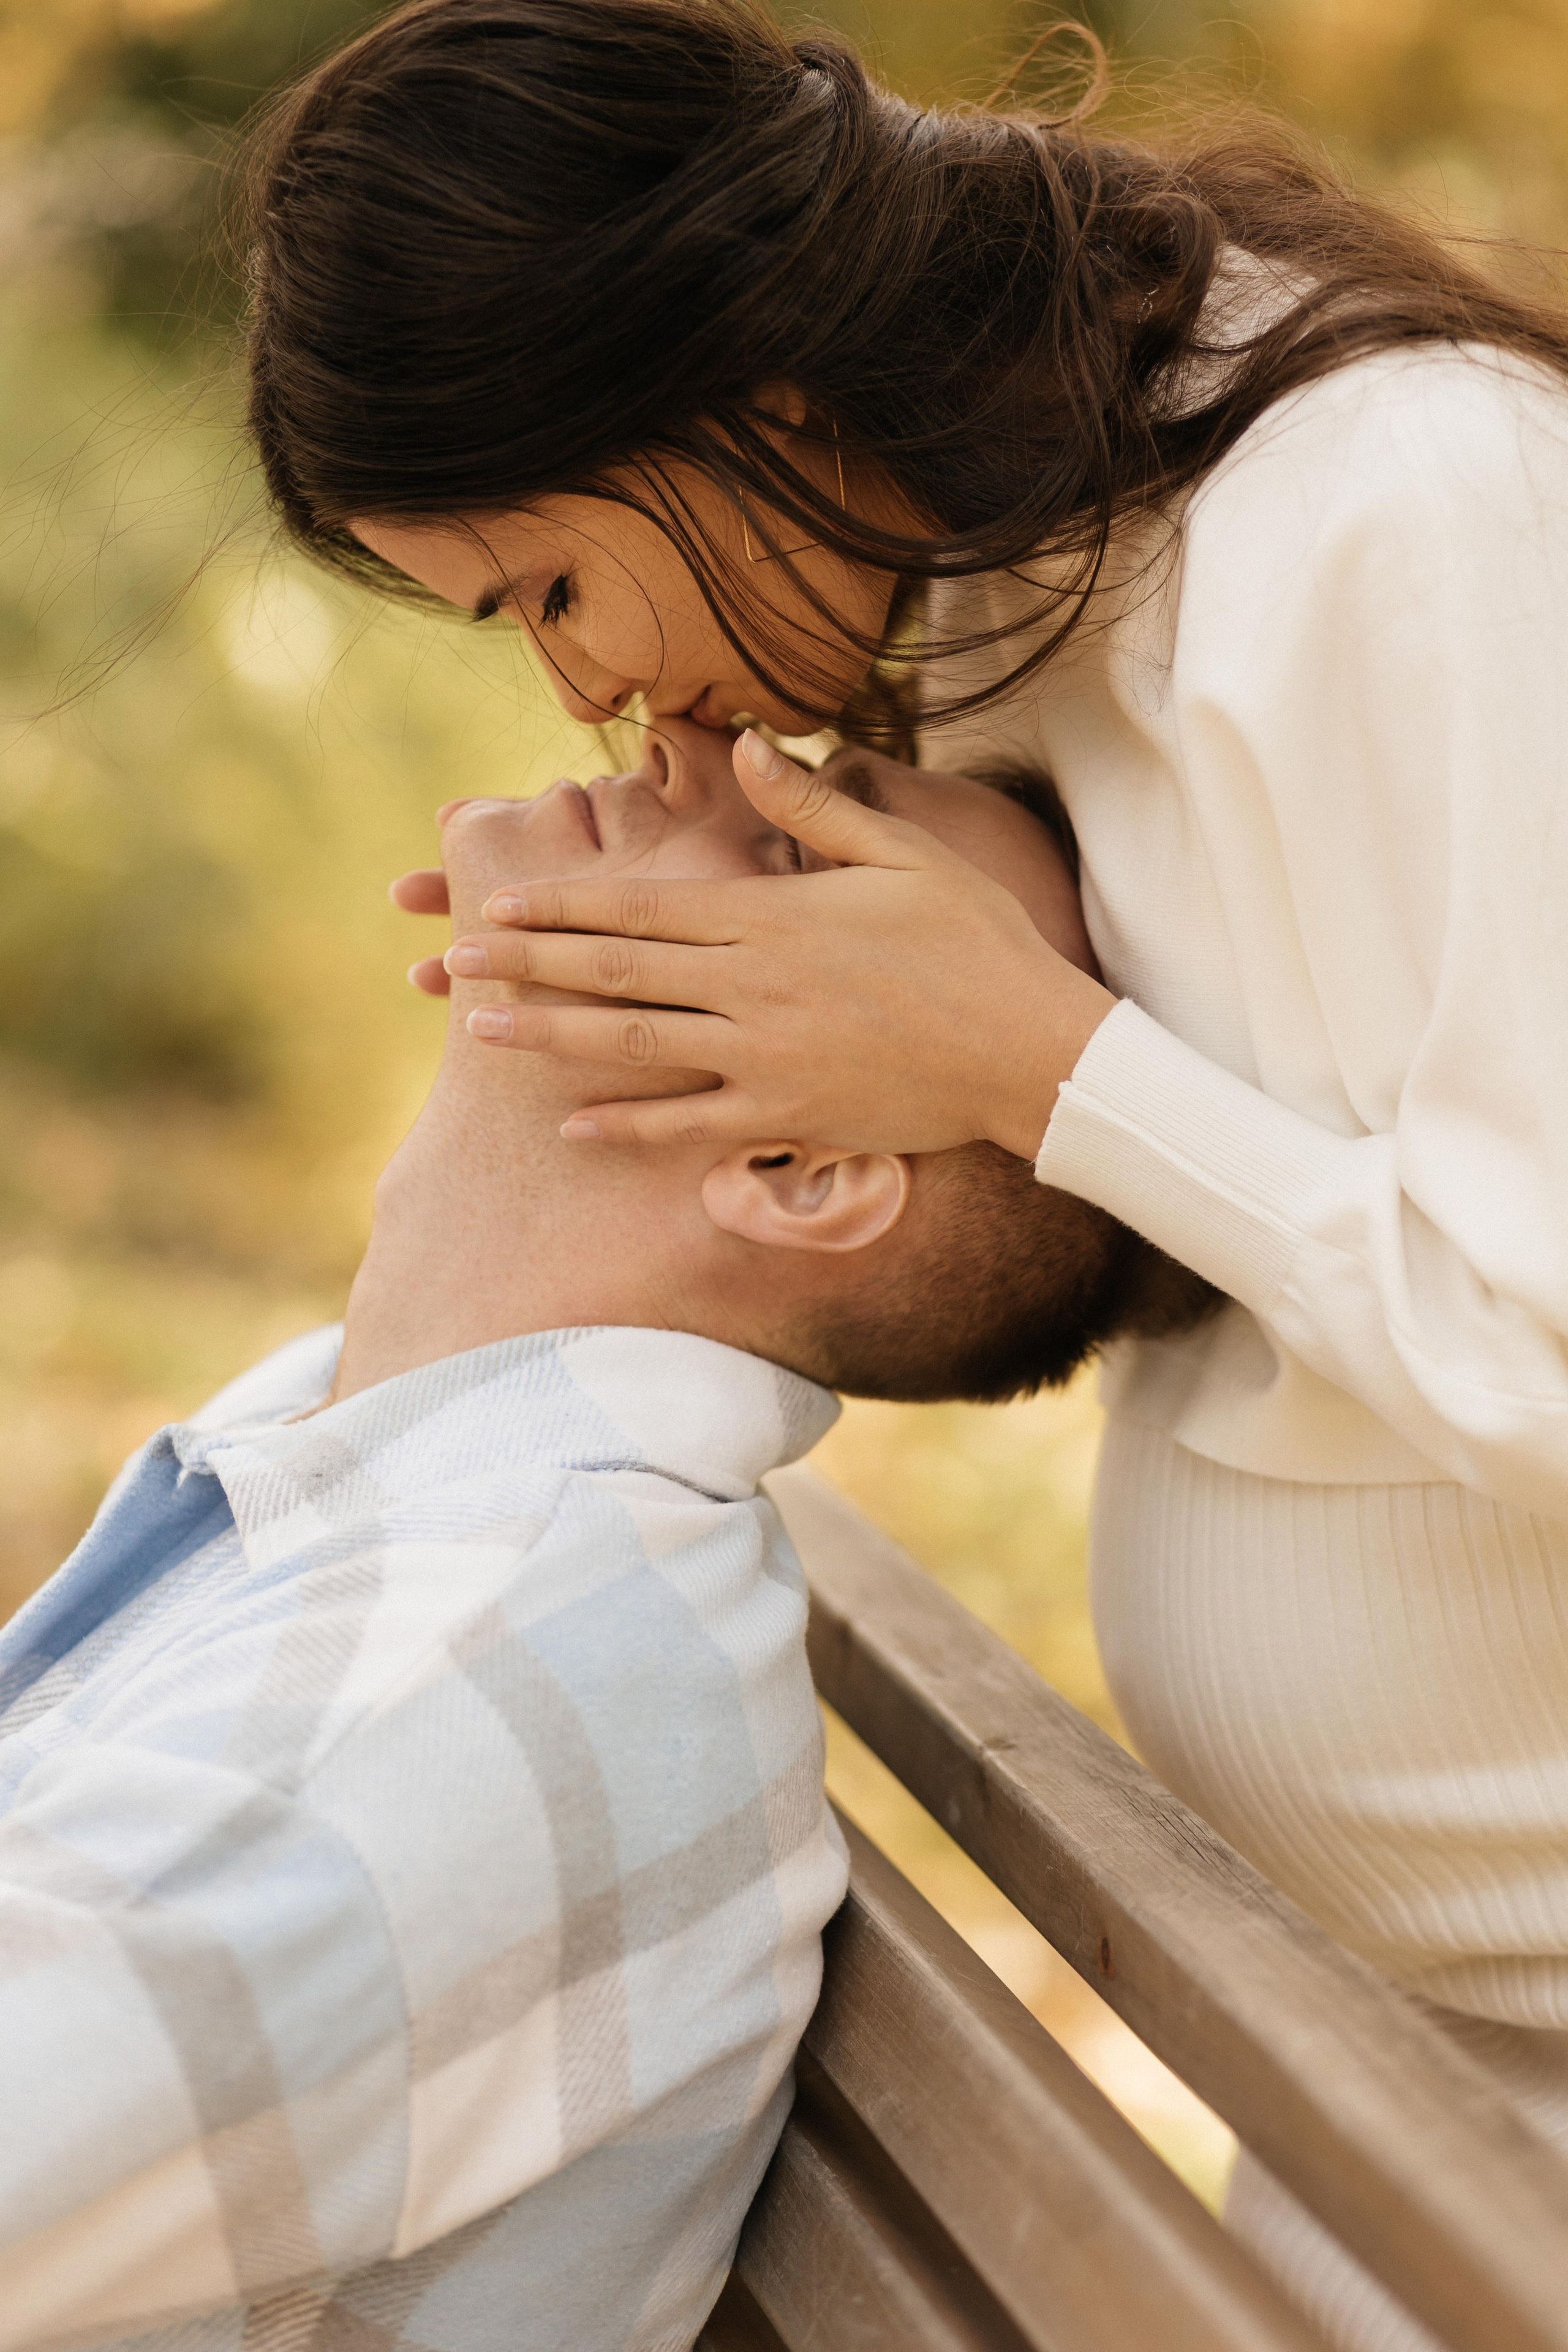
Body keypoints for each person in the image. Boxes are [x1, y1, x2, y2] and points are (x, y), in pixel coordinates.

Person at [237, 5, 1568, 2344]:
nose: (579, 698)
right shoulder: (988, 599)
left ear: (743, 387)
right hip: (1396, 2065)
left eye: (548, 586)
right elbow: (1203, 1249)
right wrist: (742, 1048)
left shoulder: (1398, 513)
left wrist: (1029, 1057)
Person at [0, 717, 1208, 2352]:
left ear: (798, 1167)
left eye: (792, 840)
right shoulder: (386, 1481)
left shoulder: (432, 1699)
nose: (690, 744)